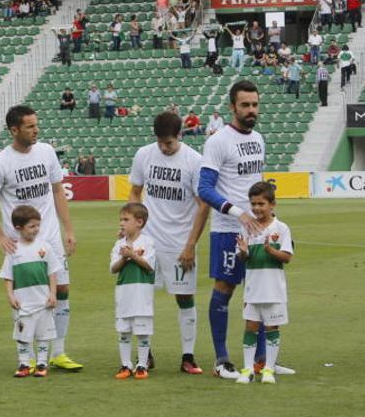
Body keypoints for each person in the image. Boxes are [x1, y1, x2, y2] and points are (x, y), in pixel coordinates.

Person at [198, 80, 293, 379]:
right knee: (224, 290)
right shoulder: (218, 141)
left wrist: (268, 216)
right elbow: (204, 189)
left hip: (259, 230)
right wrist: (239, 213)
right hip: (229, 229)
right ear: (232, 107)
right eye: (245, 105)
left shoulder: (259, 139)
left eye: (255, 105)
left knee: (262, 293)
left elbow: (258, 182)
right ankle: (221, 360)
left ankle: (264, 361)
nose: (251, 110)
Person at [0, 106, 82, 371]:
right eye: (30, 127)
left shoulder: (46, 152)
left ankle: (58, 351)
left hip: (50, 239)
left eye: (36, 125)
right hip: (20, 244)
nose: (36, 130)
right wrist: (0, 236)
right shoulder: (1, 163)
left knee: (61, 289)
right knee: (23, 297)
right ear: (14, 130)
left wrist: (68, 229)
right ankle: (27, 355)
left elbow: (58, 190)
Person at [128, 112, 209, 374]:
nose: (164, 147)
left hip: (178, 243)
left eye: (169, 143)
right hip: (147, 242)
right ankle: (145, 355)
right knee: (142, 298)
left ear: (180, 135)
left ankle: (188, 356)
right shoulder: (144, 155)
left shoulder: (194, 161)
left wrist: (190, 245)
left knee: (184, 297)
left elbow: (202, 205)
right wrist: (132, 227)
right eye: (161, 142)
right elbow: (135, 191)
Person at [234, 182, 293, 385]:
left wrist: (271, 251)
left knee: (271, 327)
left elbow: (286, 257)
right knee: (250, 326)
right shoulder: (247, 228)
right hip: (252, 288)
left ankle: (268, 369)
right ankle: (248, 369)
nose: (257, 208)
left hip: (274, 289)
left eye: (261, 204)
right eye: (253, 204)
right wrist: (243, 251)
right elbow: (244, 258)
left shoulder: (281, 228)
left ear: (272, 204)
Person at [0, 205, 60, 378]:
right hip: (23, 302)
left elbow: (52, 272)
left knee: (43, 334)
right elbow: (8, 276)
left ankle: (42, 363)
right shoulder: (13, 250)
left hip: (43, 301)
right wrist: (10, 295)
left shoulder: (45, 247)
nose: (36, 229)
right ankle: (24, 364)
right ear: (19, 228)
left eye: (38, 225)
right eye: (32, 226)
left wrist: (53, 293)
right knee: (23, 335)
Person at [110, 203, 156, 380]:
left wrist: (134, 256)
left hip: (142, 293)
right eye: (121, 219)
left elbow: (149, 266)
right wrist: (124, 257)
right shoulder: (119, 244)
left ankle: (142, 365)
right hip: (124, 293)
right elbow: (113, 268)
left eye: (125, 219)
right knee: (124, 330)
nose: (121, 223)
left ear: (139, 222)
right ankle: (125, 365)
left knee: (143, 331)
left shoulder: (148, 242)